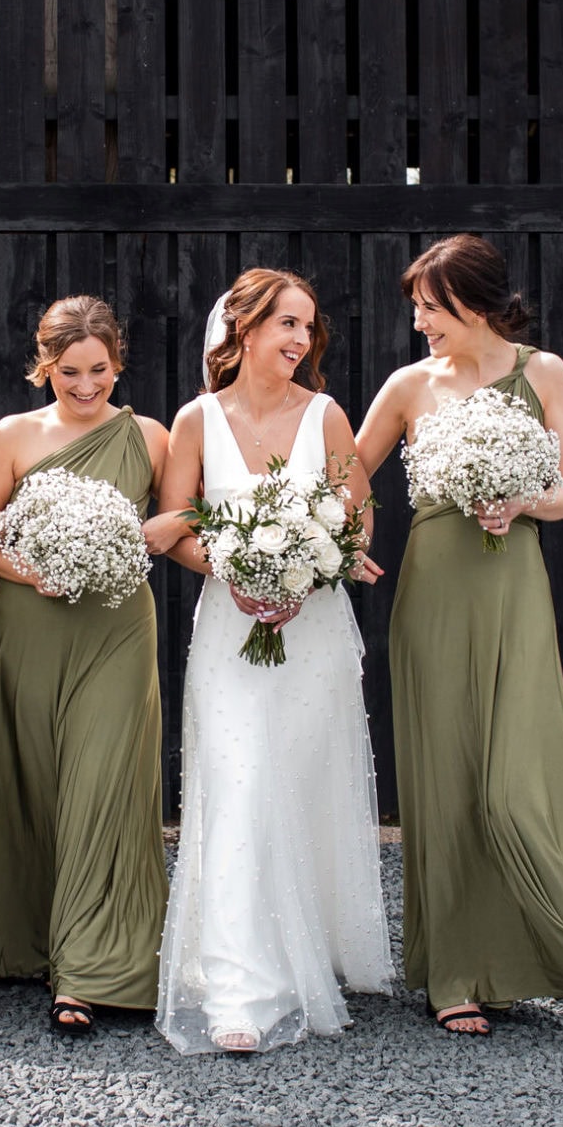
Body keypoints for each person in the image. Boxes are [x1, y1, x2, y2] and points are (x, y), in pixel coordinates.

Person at [353, 234, 563, 1036]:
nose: (420, 323)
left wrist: (521, 502)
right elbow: (345, 477)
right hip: (435, 587)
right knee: (445, 779)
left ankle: (548, 952)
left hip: (512, 586)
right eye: (417, 309)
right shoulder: (408, 386)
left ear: (474, 303)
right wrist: (312, 538)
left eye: (431, 308)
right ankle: (457, 971)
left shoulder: (544, 372)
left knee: (512, 783)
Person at [146, 268, 392, 1055]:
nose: (299, 340)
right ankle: (237, 988)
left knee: (297, 785)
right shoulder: (196, 419)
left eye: (307, 328)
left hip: (311, 633)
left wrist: (306, 574)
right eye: (286, 324)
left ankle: (301, 948)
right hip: (230, 631)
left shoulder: (326, 417)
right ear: (244, 330)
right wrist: (233, 566)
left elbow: (357, 526)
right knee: (240, 787)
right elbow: (179, 521)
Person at [0, 297, 175, 1034]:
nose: (85, 387)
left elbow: (179, 520)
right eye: (70, 371)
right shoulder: (14, 435)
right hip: (30, 626)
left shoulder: (150, 434)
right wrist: (26, 563)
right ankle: (25, 942)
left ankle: (91, 970)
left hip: (115, 629)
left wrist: (127, 531)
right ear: (44, 366)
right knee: (36, 779)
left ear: (119, 362)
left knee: (101, 784)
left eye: (100, 370)